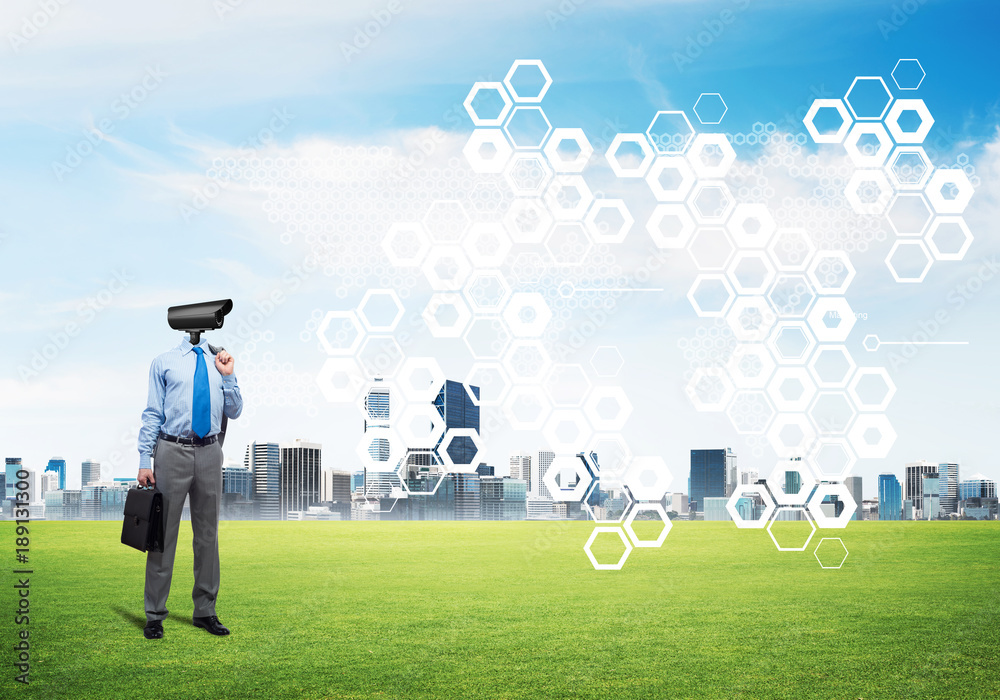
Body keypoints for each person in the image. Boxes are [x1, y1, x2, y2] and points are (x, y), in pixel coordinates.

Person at [136, 335, 243, 640]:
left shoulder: (219, 362)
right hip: (171, 451)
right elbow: (153, 413)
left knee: (208, 536)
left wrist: (229, 376)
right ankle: (154, 615)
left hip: (210, 452)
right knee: (162, 536)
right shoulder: (164, 362)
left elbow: (234, 411)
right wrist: (146, 458)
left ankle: (205, 611)